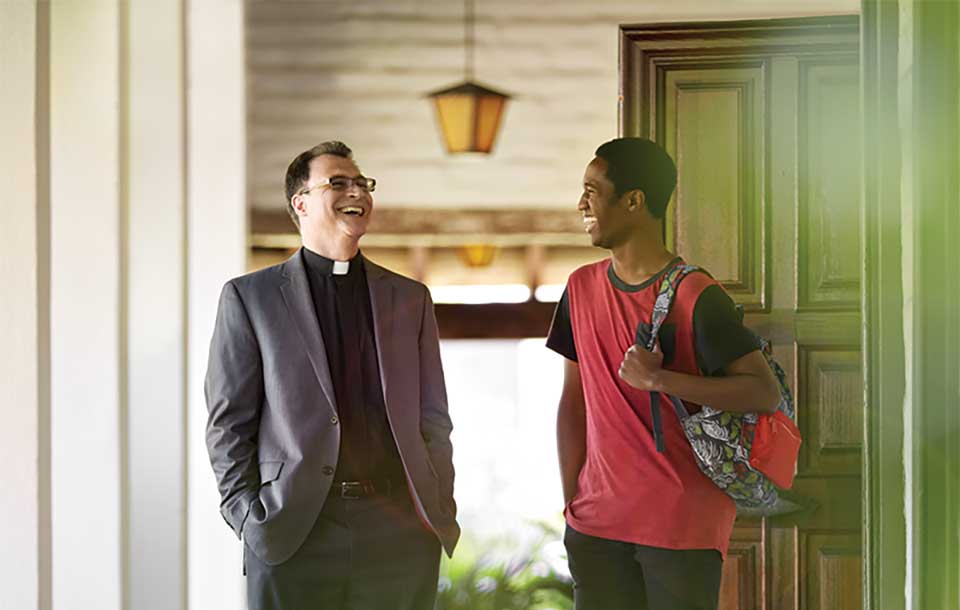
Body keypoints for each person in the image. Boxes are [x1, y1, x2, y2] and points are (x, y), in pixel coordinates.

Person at [205, 141, 459, 610]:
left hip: (399, 534)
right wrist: (247, 516)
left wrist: (438, 503)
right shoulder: (250, 298)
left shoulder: (410, 298)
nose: (356, 192)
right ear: (300, 203)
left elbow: (433, 418)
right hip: (292, 532)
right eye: (338, 183)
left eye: (362, 183)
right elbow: (228, 423)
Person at [547, 138, 781, 610]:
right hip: (596, 526)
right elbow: (574, 401)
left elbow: (764, 392)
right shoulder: (579, 289)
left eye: (592, 191)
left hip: (681, 525)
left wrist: (661, 381)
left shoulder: (697, 295)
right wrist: (574, 503)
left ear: (634, 201)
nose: (581, 205)